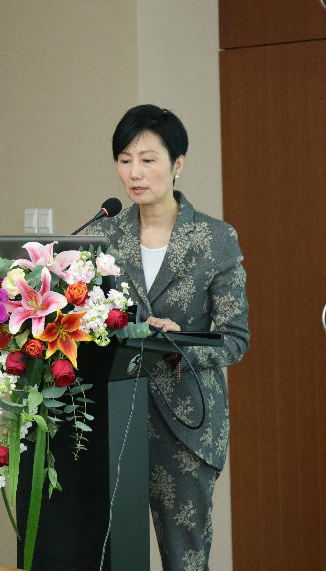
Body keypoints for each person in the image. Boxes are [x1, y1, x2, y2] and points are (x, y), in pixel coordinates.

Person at [86, 104, 250, 571]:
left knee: (185, 560)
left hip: (186, 422)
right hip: (112, 416)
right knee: (107, 555)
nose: (134, 173)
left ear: (177, 164)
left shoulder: (215, 238)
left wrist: (181, 343)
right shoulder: (101, 236)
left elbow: (235, 338)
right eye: (124, 160)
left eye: (148, 160)